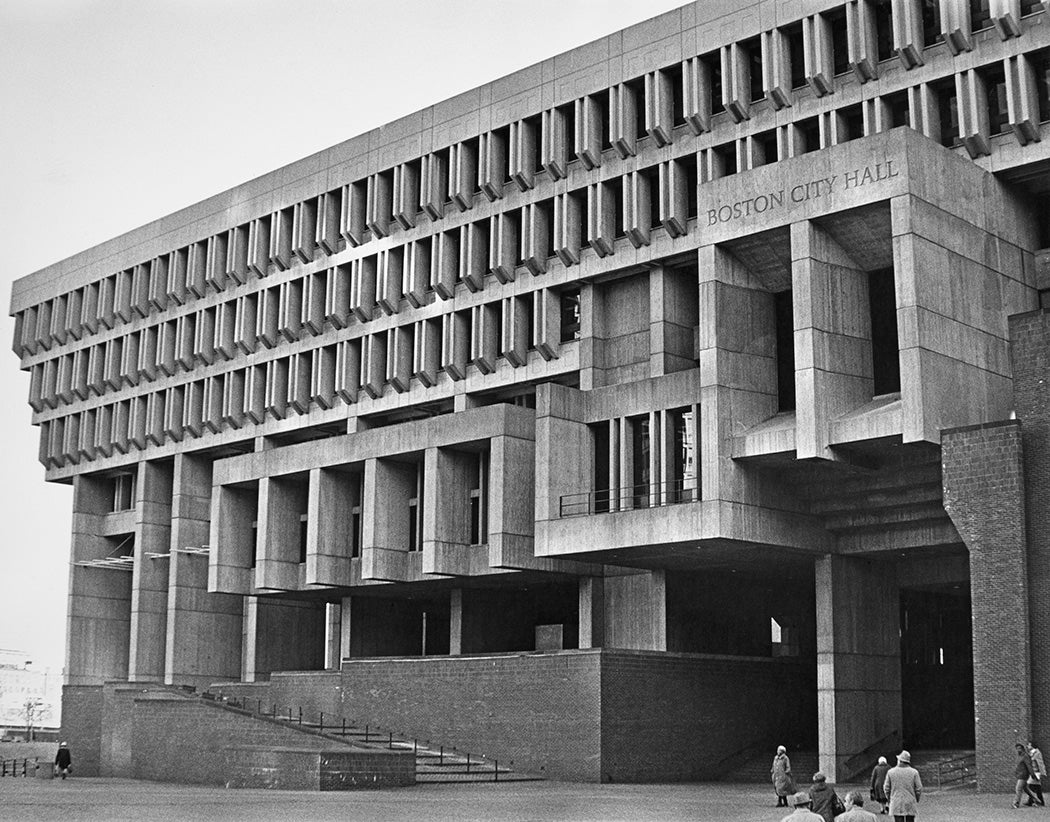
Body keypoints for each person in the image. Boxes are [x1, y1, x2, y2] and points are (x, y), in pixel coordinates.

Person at [884, 750, 922, 822]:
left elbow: (886, 788)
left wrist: (889, 798)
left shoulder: (891, 772)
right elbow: (919, 788)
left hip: (896, 800)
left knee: (898, 820)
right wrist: (916, 798)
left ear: (900, 760)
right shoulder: (914, 772)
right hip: (910, 801)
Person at [1014, 743, 1039, 808]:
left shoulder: (1025, 756)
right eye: (1017, 748)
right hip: (1020, 774)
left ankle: (1016, 803)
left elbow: (1029, 766)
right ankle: (1035, 799)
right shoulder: (1019, 756)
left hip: (1023, 775)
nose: (1018, 750)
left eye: (1019, 748)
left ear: (1023, 749)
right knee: (1026, 789)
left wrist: (1032, 774)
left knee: (1018, 788)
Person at [1027, 741, 1046, 807]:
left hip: (1036, 772)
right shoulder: (1032, 752)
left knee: (1030, 786)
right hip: (1034, 771)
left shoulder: (1036, 752)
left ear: (1032, 746)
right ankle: (1036, 801)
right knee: (1036, 787)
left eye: (1029, 745)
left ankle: (1035, 801)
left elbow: (1035, 760)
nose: (1028, 746)